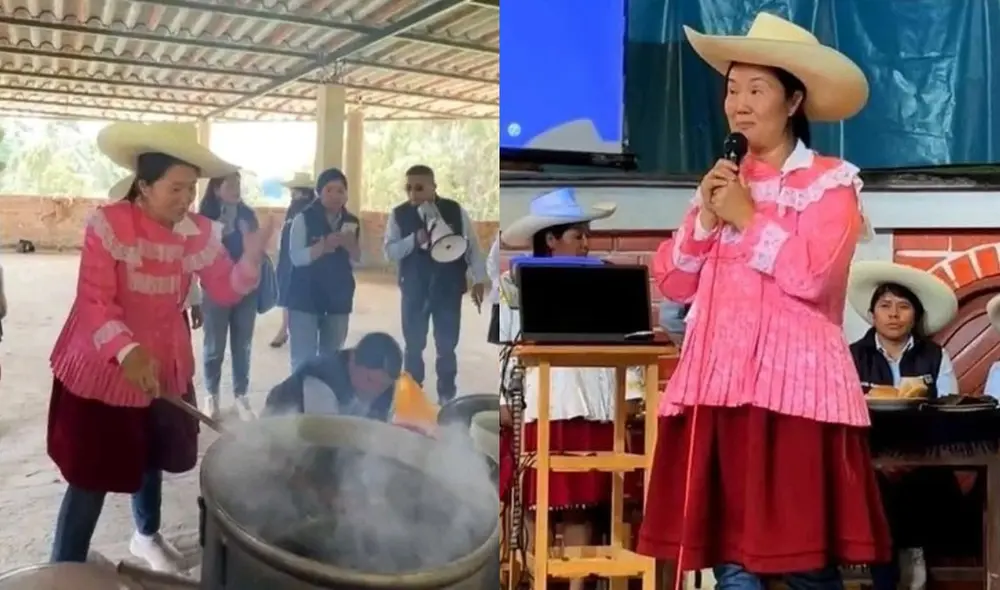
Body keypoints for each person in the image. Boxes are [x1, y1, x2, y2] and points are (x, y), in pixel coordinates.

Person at [636, 12, 891, 589]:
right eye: (732, 89)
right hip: (719, 390)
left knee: (804, 564)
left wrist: (749, 219)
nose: (739, 104)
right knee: (732, 563)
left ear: (793, 100)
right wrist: (707, 218)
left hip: (796, 398)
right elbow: (673, 283)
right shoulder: (722, 183)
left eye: (757, 90)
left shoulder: (831, 184)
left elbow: (814, 278)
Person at [47, 121, 274, 570]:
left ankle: (146, 536)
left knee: (149, 457)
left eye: (191, 189)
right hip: (105, 364)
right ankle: (65, 563)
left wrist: (249, 260)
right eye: (176, 188)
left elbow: (224, 288)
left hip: (163, 361)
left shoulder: (196, 232)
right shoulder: (109, 225)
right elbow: (95, 301)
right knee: (92, 473)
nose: (186, 199)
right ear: (145, 186)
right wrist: (127, 351)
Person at [496, 188, 643, 590]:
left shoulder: (606, 281)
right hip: (541, 406)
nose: (586, 243)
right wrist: (502, 400)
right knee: (537, 505)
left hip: (595, 408)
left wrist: (632, 394)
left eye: (586, 235)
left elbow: (630, 340)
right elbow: (504, 345)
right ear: (551, 239)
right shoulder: (512, 287)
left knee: (584, 508)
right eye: (578, 235)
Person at [847, 261, 960, 590]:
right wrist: (881, 460)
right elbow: (844, 414)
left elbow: (949, 410)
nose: (893, 314)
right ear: (872, 314)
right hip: (867, 457)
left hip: (925, 457)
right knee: (877, 485)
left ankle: (910, 555)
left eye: (903, 306)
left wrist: (913, 455)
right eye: (885, 306)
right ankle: (897, 565)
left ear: (916, 315)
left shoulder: (936, 356)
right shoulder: (850, 356)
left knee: (921, 484)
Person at [383, 164, 488, 403]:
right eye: (408, 188)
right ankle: (412, 397)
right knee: (413, 345)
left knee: (447, 347)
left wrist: (479, 279)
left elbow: (471, 245)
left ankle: (446, 397)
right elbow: (389, 252)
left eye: (419, 188)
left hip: (448, 289)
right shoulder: (398, 214)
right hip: (414, 289)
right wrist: (413, 240)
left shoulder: (454, 210)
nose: (413, 193)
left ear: (433, 187)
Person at [263, 331, 437, 432]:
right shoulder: (321, 379)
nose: (374, 392)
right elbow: (326, 441)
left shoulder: (385, 387)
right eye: (369, 380)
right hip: (279, 430)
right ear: (352, 360)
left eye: (383, 386)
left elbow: (375, 434)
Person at [197, 172, 260, 421]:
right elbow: (198, 254)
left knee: (242, 345)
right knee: (214, 346)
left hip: (246, 291)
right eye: (230, 184)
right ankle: (211, 395)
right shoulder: (205, 218)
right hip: (215, 291)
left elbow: (257, 252)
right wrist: (218, 236)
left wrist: (248, 240)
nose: (236, 188)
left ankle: (241, 396)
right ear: (215, 188)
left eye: (238, 183)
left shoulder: (248, 216)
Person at [284, 168, 360, 370]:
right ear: (319, 192)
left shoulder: (352, 222)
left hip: (338, 299)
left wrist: (351, 246)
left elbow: (357, 260)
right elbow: (296, 257)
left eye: (340, 190)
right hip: (305, 298)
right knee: (303, 361)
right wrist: (322, 247)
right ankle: (302, 391)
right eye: (329, 190)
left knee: (332, 360)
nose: (335, 195)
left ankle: (325, 391)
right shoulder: (303, 219)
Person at [270, 172, 316, 348]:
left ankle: (286, 330)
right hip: (288, 257)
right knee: (287, 292)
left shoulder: (305, 209)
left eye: (294, 191)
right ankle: (285, 329)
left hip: (297, 259)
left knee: (292, 293)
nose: (292, 194)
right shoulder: (296, 208)